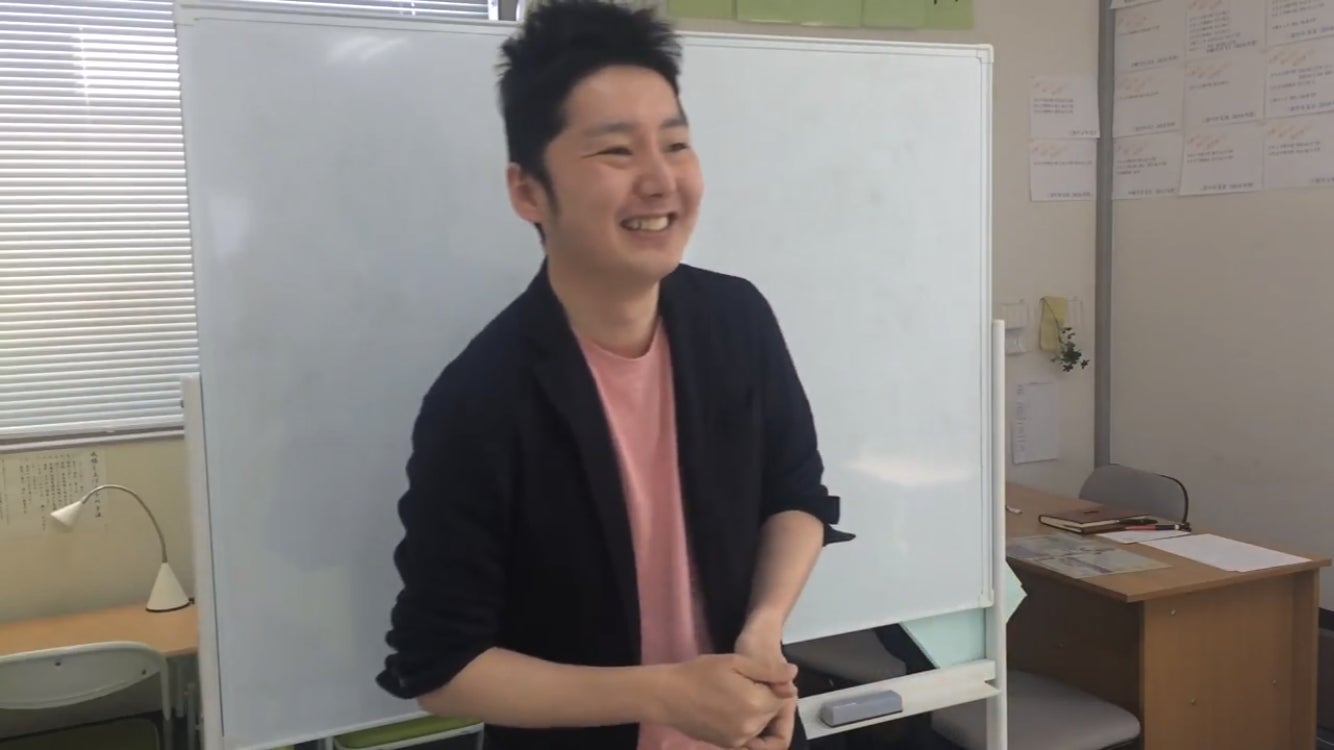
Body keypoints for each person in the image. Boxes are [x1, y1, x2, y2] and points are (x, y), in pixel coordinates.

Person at [376, 2, 851, 748]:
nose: (661, 181)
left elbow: (795, 497)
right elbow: (441, 664)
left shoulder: (737, 321)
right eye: (617, 152)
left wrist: (762, 629)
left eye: (677, 144)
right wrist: (662, 693)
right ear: (529, 191)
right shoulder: (480, 399)